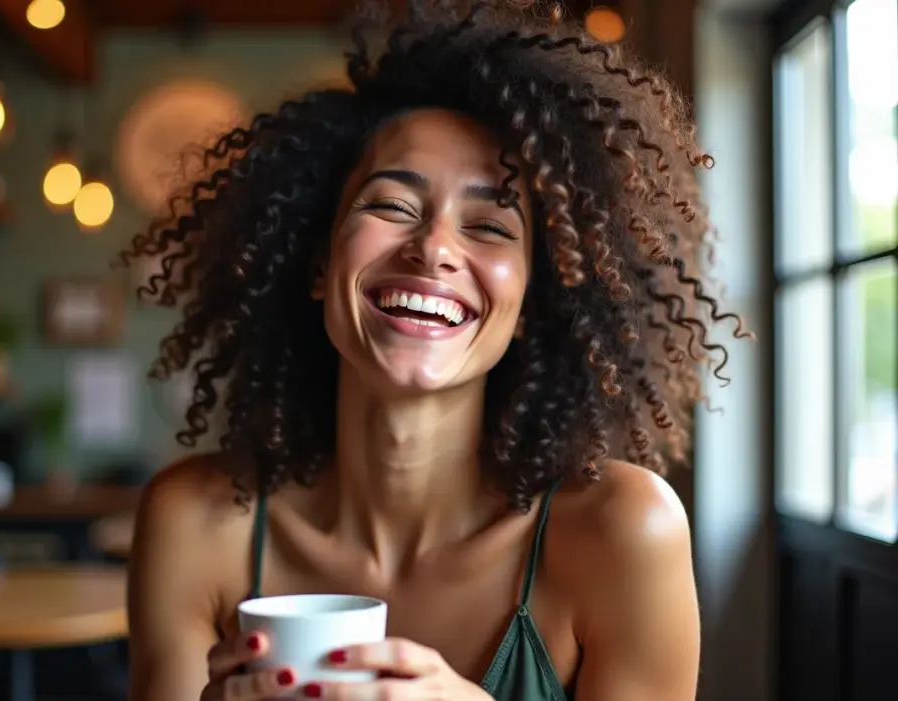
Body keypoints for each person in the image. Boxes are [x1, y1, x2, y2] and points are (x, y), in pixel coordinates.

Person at [123, 1, 748, 700]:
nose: (434, 249)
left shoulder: (621, 532)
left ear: (528, 307)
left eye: (488, 225)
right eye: (391, 206)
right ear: (317, 264)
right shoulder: (195, 522)